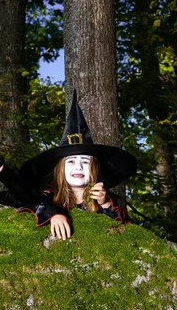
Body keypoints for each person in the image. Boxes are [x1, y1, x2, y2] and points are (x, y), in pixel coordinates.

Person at [19, 90, 138, 229]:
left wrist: (105, 204)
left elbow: (125, 229)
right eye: (71, 161)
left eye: (85, 162)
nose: (78, 167)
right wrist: (53, 214)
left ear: (94, 169)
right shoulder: (48, 196)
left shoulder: (107, 200)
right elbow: (30, 202)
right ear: (60, 169)